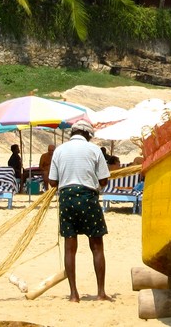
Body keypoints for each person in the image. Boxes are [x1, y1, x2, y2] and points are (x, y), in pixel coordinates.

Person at [49, 122, 111, 302]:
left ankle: (74, 294)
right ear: (86, 133)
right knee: (97, 246)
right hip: (87, 197)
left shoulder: (59, 151)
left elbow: (53, 182)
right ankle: (100, 293)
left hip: (67, 199)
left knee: (70, 248)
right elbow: (104, 179)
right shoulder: (94, 150)